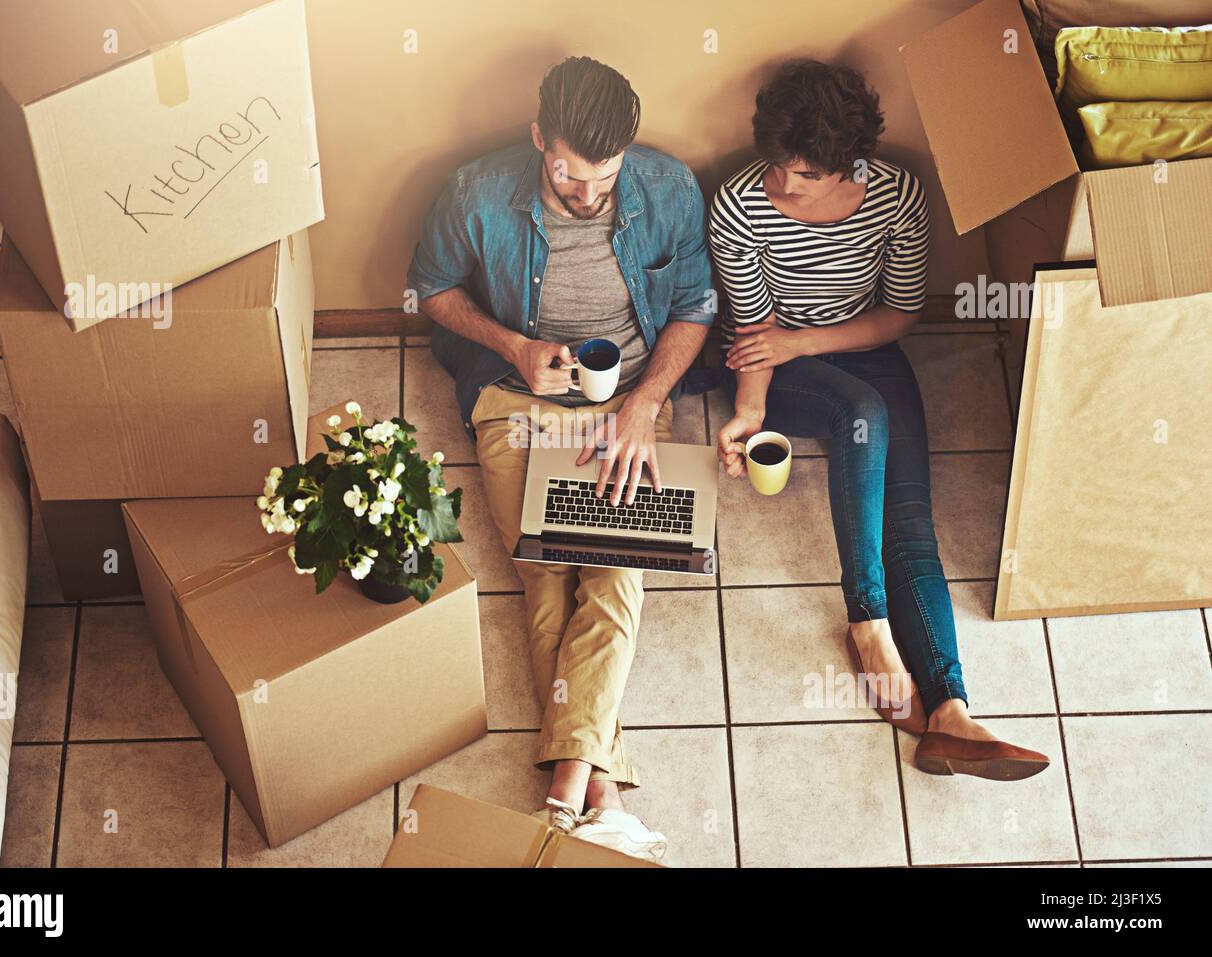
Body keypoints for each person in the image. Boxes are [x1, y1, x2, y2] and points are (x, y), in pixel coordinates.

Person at [408, 56, 715, 857]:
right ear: (539, 137)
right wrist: (513, 342)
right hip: (518, 399)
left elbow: (695, 306)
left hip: (628, 404)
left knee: (614, 568)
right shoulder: (476, 193)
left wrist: (644, 406)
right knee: (546, 567)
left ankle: (565, 798)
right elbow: (429, 288)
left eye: (603, 178)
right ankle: (599, 794)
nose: (587, 195)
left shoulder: (671, 188)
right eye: (569, 177)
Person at [709, 59, 1049, 780]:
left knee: (912, 519)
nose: (780, 184)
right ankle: (867, 620)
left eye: (801, 175)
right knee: (860, 412)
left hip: (856, 344)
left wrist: (810, 338)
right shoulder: (739, 204)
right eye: (775, 165)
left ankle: (952, 713)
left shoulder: (896, 196)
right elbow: (756, 330)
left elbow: (898, 313)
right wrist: (749, 410)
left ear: (844, 167)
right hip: (771, 356)